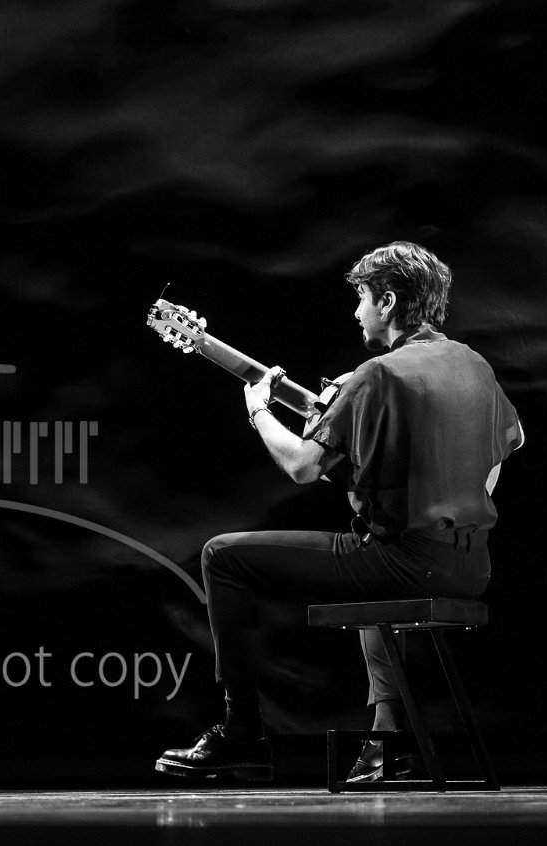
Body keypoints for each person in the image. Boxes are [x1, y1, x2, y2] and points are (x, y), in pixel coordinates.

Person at [155, 242, 523, 783]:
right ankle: (385, 745)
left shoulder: (378, 374)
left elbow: (303, 466)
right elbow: (504, 452)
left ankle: (241, 733)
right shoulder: (474, 365)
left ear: (388, 301)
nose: (356, 312)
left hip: (404, 561)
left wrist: (259, 409)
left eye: (363, 299)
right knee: (374, 553)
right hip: (471, 567)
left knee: (222, 557)